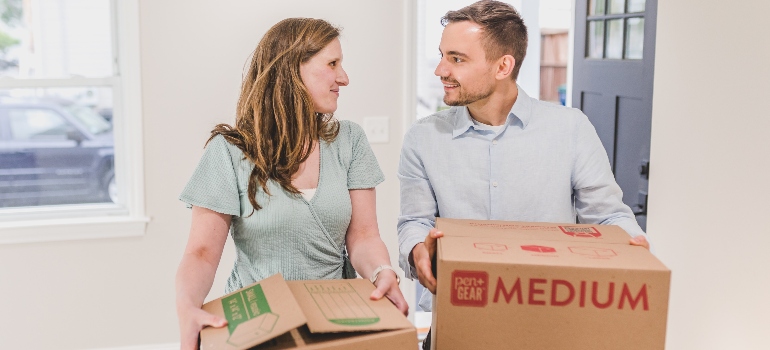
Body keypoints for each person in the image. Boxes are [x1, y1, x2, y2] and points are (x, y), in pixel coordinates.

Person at [396, 1, 650, 348]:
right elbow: (414, 221)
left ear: (503, 66)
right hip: (458, 322)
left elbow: (607, 214)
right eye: (442, 55)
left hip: (549, 324)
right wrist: (416, 251)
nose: (440, 70)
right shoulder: (423, 138)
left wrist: (631, 246)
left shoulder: (570, 128)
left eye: (456, 58)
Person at [175, 18, 407, 350]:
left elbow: (364, 236)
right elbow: (200, 254)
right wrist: (187, 309)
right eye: (332, 64)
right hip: (260, 324)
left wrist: (383, 271)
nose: (344, 77)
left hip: (337, 319)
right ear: (292, 71)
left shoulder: (350, 140)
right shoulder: (229, 152)